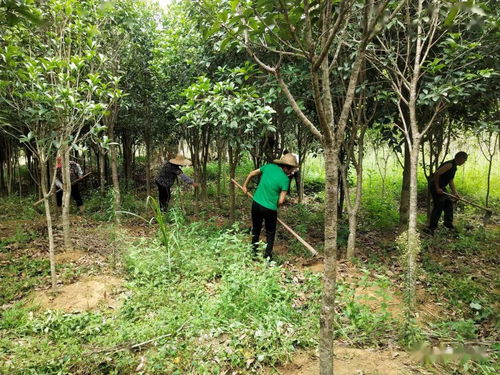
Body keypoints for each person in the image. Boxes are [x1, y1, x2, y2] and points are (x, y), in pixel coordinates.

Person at [242, 153, 298, 260]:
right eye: (291, 170)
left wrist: (245, 186)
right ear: (286, 168)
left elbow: (252, 173)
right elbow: (281, 201)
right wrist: (273, 204)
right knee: (270, 232)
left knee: (256, 229)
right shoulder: (285, 180)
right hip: (269, 209)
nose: (292, 172)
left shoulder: (268, 167)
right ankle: (267, 257)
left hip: (256, 204)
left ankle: (253, 253)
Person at [426, 151, 468, 234]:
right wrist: (437, 187)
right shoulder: (449, 165)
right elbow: (437, 174)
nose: (464, 162)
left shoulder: (454, 167)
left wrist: (455, 193)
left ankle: (448, 225)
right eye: (464, 160)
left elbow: (450, 180)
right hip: (435, 186)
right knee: (439, 205)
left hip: (442, 187)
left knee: (448, 203)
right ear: (460, 158)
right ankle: (431, 228)